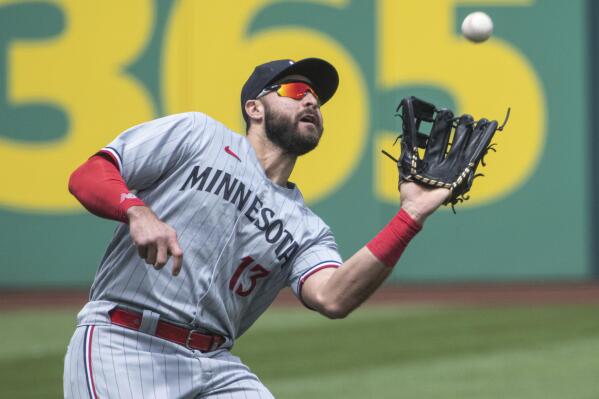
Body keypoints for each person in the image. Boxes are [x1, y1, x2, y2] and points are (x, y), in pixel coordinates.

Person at [64, 58, 450, 398]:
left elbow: (334, 297)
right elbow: (90, 174)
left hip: (212, 364)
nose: (311, 101)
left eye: (316, 98)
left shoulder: (307, 228)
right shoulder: (198, 136)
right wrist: (135, 211)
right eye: (296, 90)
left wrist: (410, 216)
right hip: (124, 343)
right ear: (255, 108)